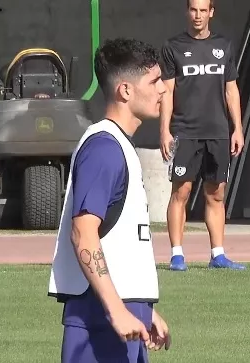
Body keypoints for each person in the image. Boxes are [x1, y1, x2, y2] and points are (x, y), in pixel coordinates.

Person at [48, 38, 171, 363]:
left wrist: (144, 309)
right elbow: (83, 234)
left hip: (121, 318)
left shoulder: (118, 145)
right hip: (100, 323)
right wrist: (117, 310)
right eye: (154, 81)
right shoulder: (104, 149)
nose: (163, 89)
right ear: (126, 91)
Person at [159, 0, 246, 271]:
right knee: (181, 192)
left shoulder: (224, 46)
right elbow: (167, 93)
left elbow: (231, 90)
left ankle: (218, 255)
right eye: (193, 10)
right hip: (186, 132)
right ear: (188, 12)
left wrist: (237, 129)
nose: (198, 16)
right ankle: (176, 256)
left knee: (216, 194)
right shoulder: (173, 47)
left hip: (218, 133)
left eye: (203, 10)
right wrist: (164, 131)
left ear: (212, 12)